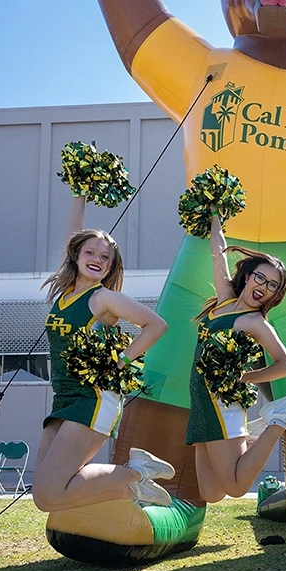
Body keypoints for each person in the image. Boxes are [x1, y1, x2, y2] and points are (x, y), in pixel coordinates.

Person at [33, 194, 174, 512]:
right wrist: (80, 194)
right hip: (65, 396)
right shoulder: (68, 292)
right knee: (44, 497)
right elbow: (73, 233)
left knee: (52, 493)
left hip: (94, 397)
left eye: (105, 257)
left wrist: (121, 360)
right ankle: (133, 485)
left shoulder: (104, 298)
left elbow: (156, 324)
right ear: (76, 255)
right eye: (90, 252)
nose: (96, 259)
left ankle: (136, 473)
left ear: (111, 266)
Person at [187, 208, 286, 502]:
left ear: (274, 295)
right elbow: (218, 253)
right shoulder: (224, 300)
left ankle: (278, 420)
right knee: (211, 493)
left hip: (222, 403)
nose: (264, 287)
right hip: (201, 400)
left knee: (235, 488)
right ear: (247, 276)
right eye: (261, 278)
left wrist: (244, 377)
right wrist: (215, 213)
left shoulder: (256, 323)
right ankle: (251, 438)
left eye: (273, 286)